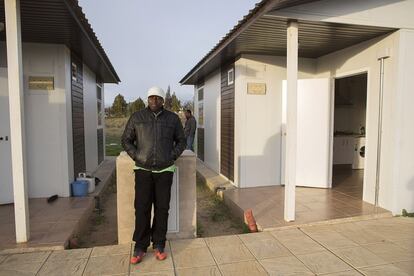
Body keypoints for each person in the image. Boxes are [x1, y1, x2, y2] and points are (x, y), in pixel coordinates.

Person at [121, 86, 186, 265]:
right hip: (143, 170)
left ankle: (159, 244)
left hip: (165, 170)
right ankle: (140, 247)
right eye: (151, 98)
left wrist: (171, 156)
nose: (154, 101)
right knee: (142, 208)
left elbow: (182, 140)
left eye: (158, 98)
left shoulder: (172, 118)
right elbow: (125, 140)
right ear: (147, 99)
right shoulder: (137, 117)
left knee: (162, 208)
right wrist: (137, 156)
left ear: (163, 100)